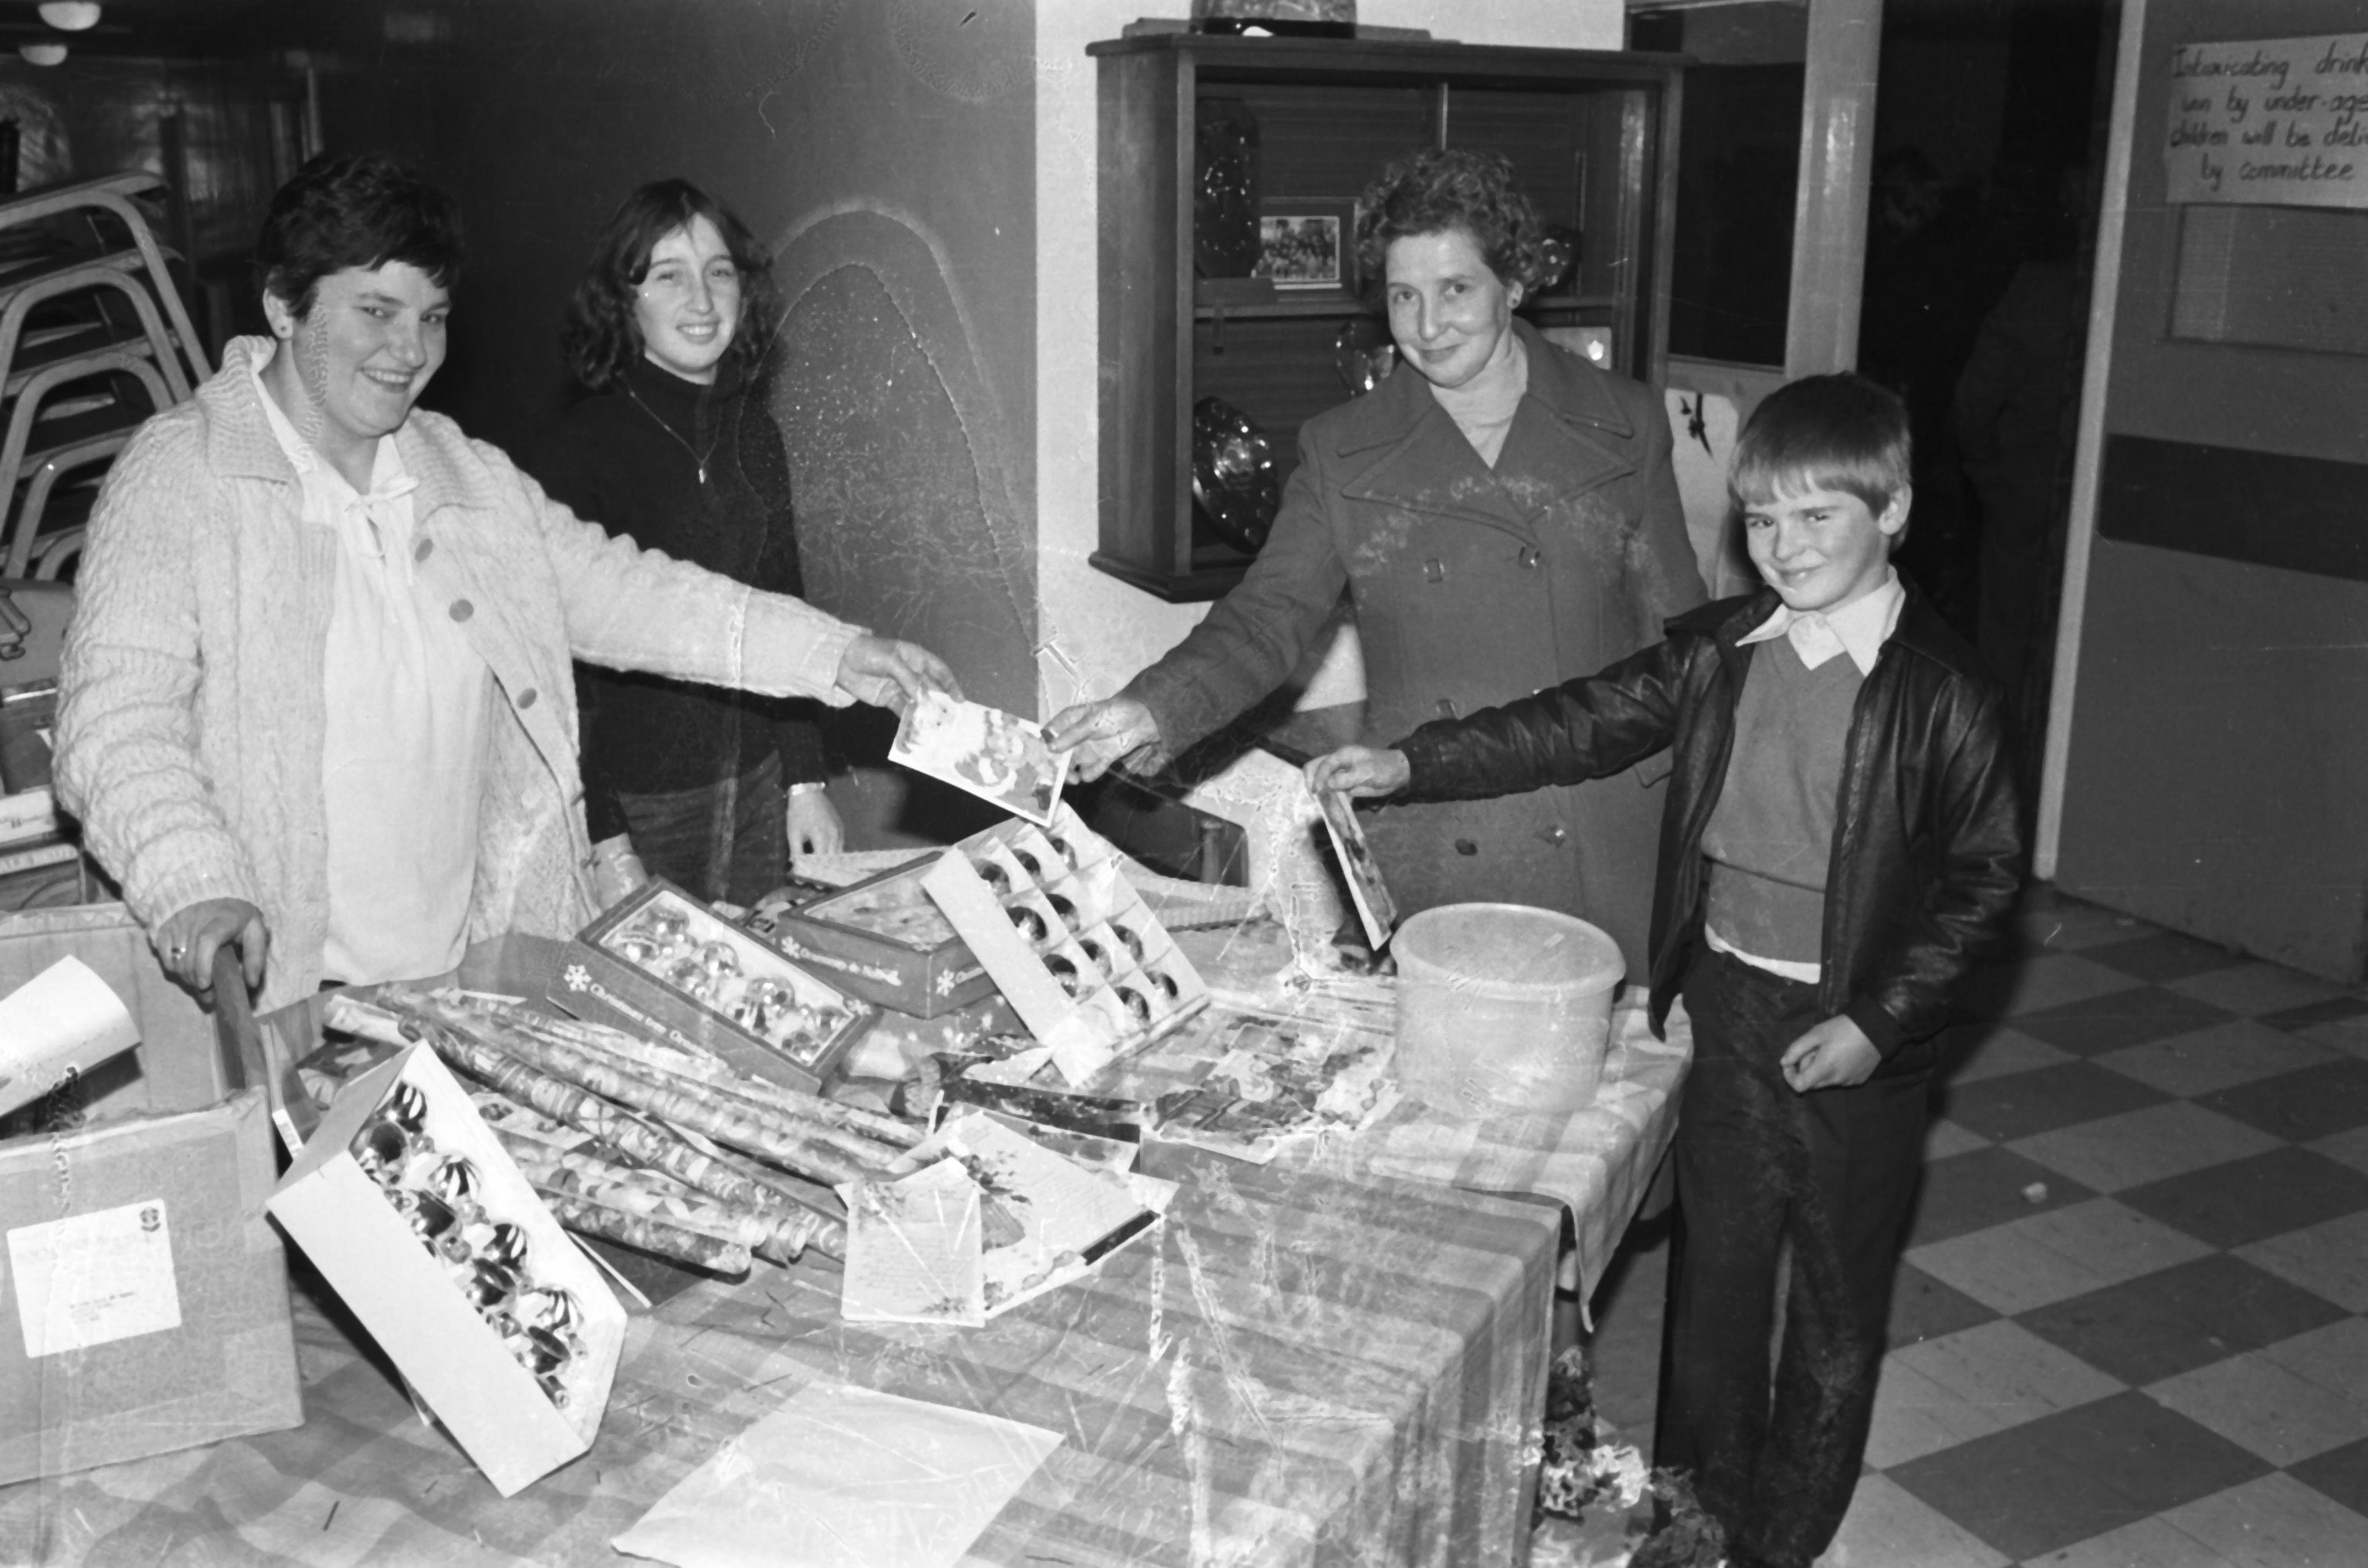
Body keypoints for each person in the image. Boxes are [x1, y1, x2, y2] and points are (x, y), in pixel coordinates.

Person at [1306, 374, 2023, 1568]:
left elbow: (1984, 881)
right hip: (1726, 999)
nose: (1780, 549)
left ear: (1890, 509)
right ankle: (1694, 1523)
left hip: (1853, 1024)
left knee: (1834, 1305)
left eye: (1815, 519)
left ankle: (1787, 1534)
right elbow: (1570, 720)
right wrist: (1408, 763)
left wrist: (1877, 1020)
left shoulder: (1942, 691)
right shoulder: (1719, 652)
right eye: (1757, 522)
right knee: (1716, 1283)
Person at [55, 153, 958, 1013]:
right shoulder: (185, 472)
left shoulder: (462, 474)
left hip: (478, 975)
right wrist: (195, 884)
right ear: (285, 308)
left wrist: (840, 655)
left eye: (432, 317)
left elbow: (631, 592)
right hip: (292, 992)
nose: (407, 350)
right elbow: (116, 725)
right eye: (376, 312)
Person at [1047, 147, 1702, 977]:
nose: (1427, 326)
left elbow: (1685, 643)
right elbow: (1267, 617)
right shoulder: (1344, 451)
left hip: (1598, 828)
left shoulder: (1624, 421)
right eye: (1403, 296)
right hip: (1436, 822)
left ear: (1516, 283)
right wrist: (1151, 710)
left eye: (1456, 290)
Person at [534, 179, 838, 909]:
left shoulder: (754, 431)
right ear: (623, 297)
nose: (701, 301)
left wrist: (806, 782)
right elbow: (560, 670)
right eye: (668, 276)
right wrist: (605, 841)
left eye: (719, 272)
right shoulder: (579, 449)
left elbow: (781, 598)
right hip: (640, 805)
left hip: (759, 783)